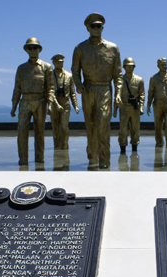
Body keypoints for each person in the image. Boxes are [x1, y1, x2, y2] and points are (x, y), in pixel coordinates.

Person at [71, 13, 122, 169]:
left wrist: (118, 93)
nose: (96, 28)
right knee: (91, 125)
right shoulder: (80, 48)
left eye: (99, 26)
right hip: (88, 89)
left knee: (103, 124)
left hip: (105, 88)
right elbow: (74, 71)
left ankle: (105, 160)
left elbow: (118, 75)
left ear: (103, 27)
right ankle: (92, 157)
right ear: (87, 28)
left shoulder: (113, 48)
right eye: (93, 26)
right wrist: (78, 84)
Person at [11, 37, 62, 165]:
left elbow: (50, 88)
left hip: (40, 101)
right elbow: (17, 88)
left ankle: (39, 161)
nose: (32, 50)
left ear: (39, 49)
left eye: (35, 48)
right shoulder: (21, 68)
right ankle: (23, 161)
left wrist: (50, 104)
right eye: (30, 48)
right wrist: (14, 106)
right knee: (21, 131)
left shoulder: (47, 67)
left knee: (40, 133)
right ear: (26, 50)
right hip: (25, 102)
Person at [114, 57, 145, 153]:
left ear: (134, 67)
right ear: (124, 67)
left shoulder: (139, 80)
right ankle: (122, 149)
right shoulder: (120, 80)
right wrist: (115, 110)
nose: (129, 68)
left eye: (131, 66)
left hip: (134, 108)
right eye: (127, 66)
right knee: (123, 131)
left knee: (135, 130)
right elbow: (116, 95)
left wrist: (141, 107)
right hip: (123, 108)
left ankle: (134, 149)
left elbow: (142, 95)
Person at [147, 58, 167, 147]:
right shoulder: (153, 78)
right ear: (158, 66)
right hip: (157, 104)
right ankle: (159, 142)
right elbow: (151, 92)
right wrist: (148, 104)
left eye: (165, 64)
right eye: (162, 64)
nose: (164, 66)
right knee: (158, 126)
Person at [50, 54, 79, 150]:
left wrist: (76, 106)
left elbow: (72, 93)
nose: (60, 63)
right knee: (55, 127)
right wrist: (54, 105)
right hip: (54, 103)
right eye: (58, 62)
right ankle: (57, 146)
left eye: (62, 62)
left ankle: (65, 146)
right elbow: (49, 92)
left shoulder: (69, 76)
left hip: (65, 103)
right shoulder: (50, 76)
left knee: (64, 127)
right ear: (54, 63)